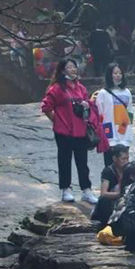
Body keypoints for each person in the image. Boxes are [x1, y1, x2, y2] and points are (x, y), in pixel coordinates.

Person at [40, 58, 103, 203]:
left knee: (82, 162)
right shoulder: (57, 88)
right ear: (63, 70)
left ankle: (86, 190)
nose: (73, 69)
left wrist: (86, 105)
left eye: (74, 67)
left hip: (80, 130)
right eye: (69, 67)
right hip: (64, 132)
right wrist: (57, 121)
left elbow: (88, 105)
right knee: (65, 161)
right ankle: (66, 189)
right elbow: (46, 107)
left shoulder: (80, 88)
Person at [95, 63, 133, 166]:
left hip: (124, 133)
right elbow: (99, 113)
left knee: (124, 165)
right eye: (115, 73)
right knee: (110, 165)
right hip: (109, 134)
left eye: (120, 73)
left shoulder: (127, 92)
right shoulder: (103, 93)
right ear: (109, 75)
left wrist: (125, 127)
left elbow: (130, 112)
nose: (118, 75)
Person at [91, 144, 130, 225]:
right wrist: (120, 194)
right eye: (123, 159)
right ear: (115, 158)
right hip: (110, 203)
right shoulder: (108, 171)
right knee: (104, 200)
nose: (126, 161)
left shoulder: (129, 169)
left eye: (127, 158)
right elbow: (103, 193)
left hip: (124, 202)